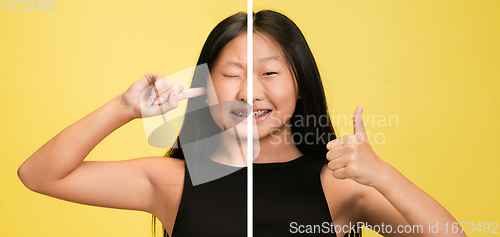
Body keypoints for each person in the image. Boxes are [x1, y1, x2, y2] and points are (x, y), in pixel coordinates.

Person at [18, 10, 466, 237]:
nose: (250, 93)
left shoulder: (339, 184)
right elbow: (38, 175)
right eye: (231, 75)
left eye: (269, 73)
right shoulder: (174, 180)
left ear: (300, 84)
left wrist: (383, 176)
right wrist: (122, 107)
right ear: (206, 87)